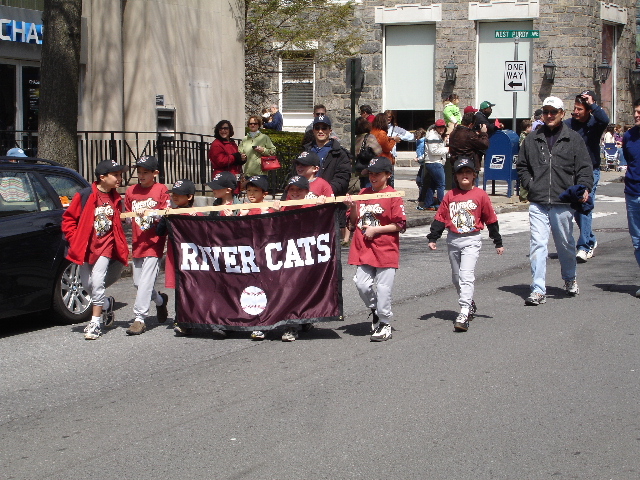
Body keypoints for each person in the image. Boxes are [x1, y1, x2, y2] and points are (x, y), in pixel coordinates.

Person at [516, 96, 593, 306]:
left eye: (553, 112)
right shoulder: (532, 139)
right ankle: (538, 289)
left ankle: (569, 278)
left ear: (562, 114)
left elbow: (585, 168)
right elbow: (522, 166)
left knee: (565, 245)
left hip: (562, 201)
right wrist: (530, 184)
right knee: (538, 245)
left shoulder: (574, 139)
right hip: (538, 200)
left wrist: (584, 187)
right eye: (546, 111)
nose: (549, 115)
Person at [427, 157, 504, 332]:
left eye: (468, 172)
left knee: (466, 275)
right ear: (455, 176)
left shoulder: (480, 195)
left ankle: (463, 312)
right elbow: (440, 218)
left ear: (474, 175)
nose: (465, 175)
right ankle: (469, 302)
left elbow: (490, 219)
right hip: (453, 239)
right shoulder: (450, 195)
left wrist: (497, 241)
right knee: (456, 278)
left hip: (472, 239)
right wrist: (433, 237)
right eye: (461, 172)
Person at [61, 159, 129, 340]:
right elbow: (69, 220)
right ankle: (107, 303)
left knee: (98, 282)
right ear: (102, 177)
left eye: (120, 175)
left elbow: (119, 219)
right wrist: (74, 239)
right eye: (115, 175)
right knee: (87, 285)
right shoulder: (84, 196)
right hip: (85, 247)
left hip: (105, 246)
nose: (119, 179)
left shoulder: (116, 198)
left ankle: (95, 323)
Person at [344, 156, 406, 342]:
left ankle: (385, 323)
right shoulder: (363, 193)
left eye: (377, 174)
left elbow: (400, 225)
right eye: (370, 173)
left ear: (388, 175)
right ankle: (376, 310)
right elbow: (354, 222)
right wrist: (353, 206)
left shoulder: (392, 195)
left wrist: (377, 229)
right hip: (363, 247)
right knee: (361, 284)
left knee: (384, 288)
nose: (373, 177)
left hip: (385, 248)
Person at [124, 155, 171, 335]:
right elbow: (128, 217)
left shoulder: (161, 189)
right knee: (138, 283)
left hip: (154, 242)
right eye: (139, 172)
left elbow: (165, 213)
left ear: (155, 173)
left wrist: (150, 213)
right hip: (138, 242)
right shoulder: (130, 191)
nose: (141, 175)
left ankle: (139, 319)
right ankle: (160, 301)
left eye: (146, 172)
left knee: (144, 282)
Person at [564, 90, 609, 263]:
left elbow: (605, 119)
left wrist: (591, 103)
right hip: (573, 172)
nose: (575, 112)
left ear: (588, 110)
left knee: (585, 206)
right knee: (576, 209)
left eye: (580, 109)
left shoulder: (594, 125)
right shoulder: (569, 124)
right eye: (574, 108)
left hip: (591, 170)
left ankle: (584, 246)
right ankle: (590, 238)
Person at [156, 179, 202, 336]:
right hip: (176, 258)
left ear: (189, 197)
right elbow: (159, 232)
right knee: (180, 289)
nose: (174, 197)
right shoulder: (171, 212)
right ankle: (181, 319)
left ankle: (199, 317)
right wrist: (165, 218)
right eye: (173, 194)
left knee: (195, 288)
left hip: (193, 258)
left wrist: (196, 219)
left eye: (179, 194)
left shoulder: (196, 212)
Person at [622, 99, 640, 296]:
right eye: (635, 111)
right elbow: (629, 159)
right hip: (633, 193)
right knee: (637, 241)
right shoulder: (629, 136)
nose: (636, 115)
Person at [208, 120, 245, 191]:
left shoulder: (232, 143)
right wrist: (235, 157)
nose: (223, 131)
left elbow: (235, 158)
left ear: (230, 129)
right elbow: (220, 161)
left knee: (234, 199)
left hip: (234, 176)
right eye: (220, 129)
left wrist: (242, 159)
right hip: (223, 179)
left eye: (225, 128)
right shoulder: (216, 144)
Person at [422, 119, 448, 210]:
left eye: (443, 127)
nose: (441, 129)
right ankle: (442, 205)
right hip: (434, 163)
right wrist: (448, 149)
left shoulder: (436, 135)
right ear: (435, 127)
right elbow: (433, 151)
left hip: (433, 162)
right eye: (439, 127)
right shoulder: (433, 136)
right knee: (441, 184)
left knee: (432, 185)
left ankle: (428, 204)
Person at [354, 117, 382, 189]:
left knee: (362, 188)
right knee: (369, 188)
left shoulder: (356, 138)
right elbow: (378, 151)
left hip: (358, 169)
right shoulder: (370, 137)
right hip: (368, 168)